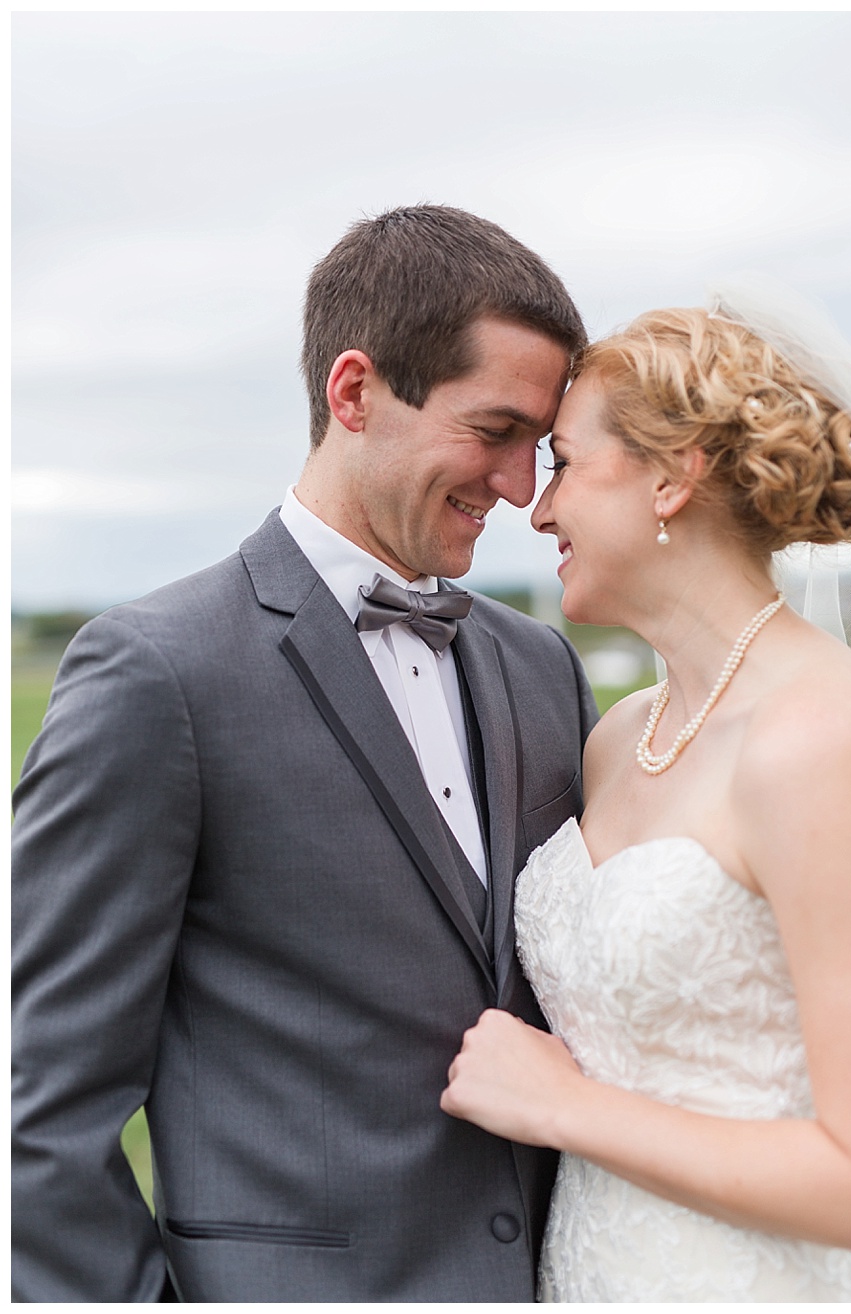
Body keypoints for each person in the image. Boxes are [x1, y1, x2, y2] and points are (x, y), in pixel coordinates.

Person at [12, 205, 595, 1301]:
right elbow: (39, 1110)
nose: (521, 488)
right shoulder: (156, 676)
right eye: (495, 431)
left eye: (541, 447)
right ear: (354, 392)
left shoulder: (542, 669)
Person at [438, 297, 851, 1300]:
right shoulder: (617, 738)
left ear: (674, 475)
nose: (537, 510)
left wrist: (563, 1109)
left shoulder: (815, 737)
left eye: (563, 463)